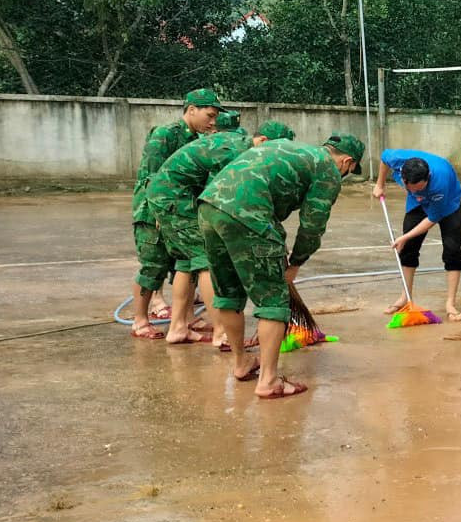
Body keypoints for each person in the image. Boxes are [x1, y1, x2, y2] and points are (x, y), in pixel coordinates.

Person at [197, 132, 363, 399]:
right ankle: (269, 381)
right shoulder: (328, 170)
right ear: (347, 161)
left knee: (228, 292)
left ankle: (241, 364)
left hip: (209, 207)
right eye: (351, 170)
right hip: (248, 213)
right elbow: (312, 225)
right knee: (273, 300)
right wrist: (296, 262)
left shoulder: (287, 147)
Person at [148, 118, 295, 346]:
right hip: (177, 197)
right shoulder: (238, 152)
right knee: (207, 259)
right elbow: (229, 200)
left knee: (187, 261)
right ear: (264, 141)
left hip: (170, 195)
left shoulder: (238, 144)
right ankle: (221, 333)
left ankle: (178, 327)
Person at [128, 88, 220, 339]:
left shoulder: (198, 140)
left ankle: (187, 319)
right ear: (191, 110)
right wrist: (157, 213)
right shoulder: (165, 135)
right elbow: (150, 175)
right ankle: (140, 321)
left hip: (180, 211)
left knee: (187, 263)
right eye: (209, 115)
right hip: (154, 211)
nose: (212, 122)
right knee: (153, 265)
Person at [372, 149, 461, 322]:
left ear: (428, 177)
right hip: (418, 203)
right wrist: (380, 184)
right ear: (403, 177)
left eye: (420, 188)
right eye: (411, 188)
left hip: (448, 205)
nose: (416, 190)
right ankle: (404, 298)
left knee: (452, 250)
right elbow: (384, 158)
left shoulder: (440, 183)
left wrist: (404, 236)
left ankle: (450, 304)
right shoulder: (398, 160)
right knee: (408, 250)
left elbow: (432, 219)